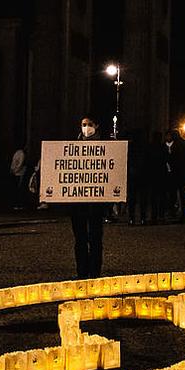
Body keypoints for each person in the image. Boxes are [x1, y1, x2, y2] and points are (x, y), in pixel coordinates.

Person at [69, 117, 108, 277]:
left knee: (95, 238)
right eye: (83, 125)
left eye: (90, 124)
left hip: (96, 202)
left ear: (97, 126)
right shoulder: (71, 147)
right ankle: (82, 272)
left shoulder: (106, 148)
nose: (86, 128)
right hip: (77, 202)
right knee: (80, 238)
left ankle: (94, 272)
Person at [9, 143, 29, 210]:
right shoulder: (20, 153)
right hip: (18, 173)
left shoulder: (19, 153)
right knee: (18, 188)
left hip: (18, 173)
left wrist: (13, 170)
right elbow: (20, 163)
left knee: (18, 188)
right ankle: (18, 203)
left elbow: (19, 163)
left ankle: (18, 204)